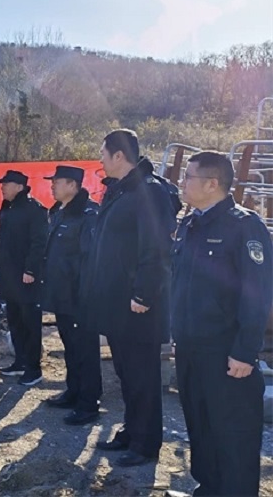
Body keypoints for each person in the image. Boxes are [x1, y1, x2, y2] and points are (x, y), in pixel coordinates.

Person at [171, 151, 272, 496]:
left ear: (212, 183)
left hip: (226, 354)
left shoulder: (244, 226)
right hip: (190, 348)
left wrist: (245, 351)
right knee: (201, 427)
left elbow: (257, 293)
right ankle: (209, 488)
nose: (182, 183)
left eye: (188, 177)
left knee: (234, 435)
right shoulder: (190, 224)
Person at [82, 129, 177, 467]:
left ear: (119, 155)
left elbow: (157, 248)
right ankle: (132, 430)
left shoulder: (149, 191)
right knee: (126, 373)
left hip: (138, 306)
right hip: (117, 304)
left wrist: (144, 293)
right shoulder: (121, 190)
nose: (101, 160)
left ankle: (145, 444)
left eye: (103, 154)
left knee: (142, 376)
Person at [40, 165, 102, 424]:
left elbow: (90, 259)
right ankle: (73, 391)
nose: (52, 186)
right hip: (62, 294)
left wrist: (85, 294)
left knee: (85, 350)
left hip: (80, 296)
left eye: (57, 182)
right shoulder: (59, 212)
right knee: (70, 347)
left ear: (73, 185)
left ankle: (89, 403)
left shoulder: (88, 214)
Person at [0, 170, 48, 387]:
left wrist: (31, 270)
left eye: (6, 184)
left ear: (19, 186)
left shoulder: (35, 210)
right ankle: (20, 361)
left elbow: (39, 243)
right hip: (9, 276)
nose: (2, 188)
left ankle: (34, 368)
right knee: (15, 321)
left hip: (26, 278)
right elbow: (2, 240)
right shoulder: (8, 208)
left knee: (30, 322)